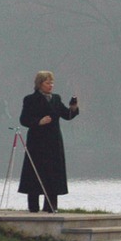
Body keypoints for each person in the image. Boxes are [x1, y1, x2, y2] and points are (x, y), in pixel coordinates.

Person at [18, 71, 79, 212]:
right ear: (40, 84)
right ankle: (33, 207)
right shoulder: (30, 99)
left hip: (53, 142)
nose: (50, 85)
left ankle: (51, 206)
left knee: (53, 173)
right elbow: (24, 120)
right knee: (35, 173)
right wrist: (39, 121)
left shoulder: (56, 99)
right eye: (47, 83)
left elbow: (67, 115)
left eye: (52, 83)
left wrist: (73, 108)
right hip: (37, 142)